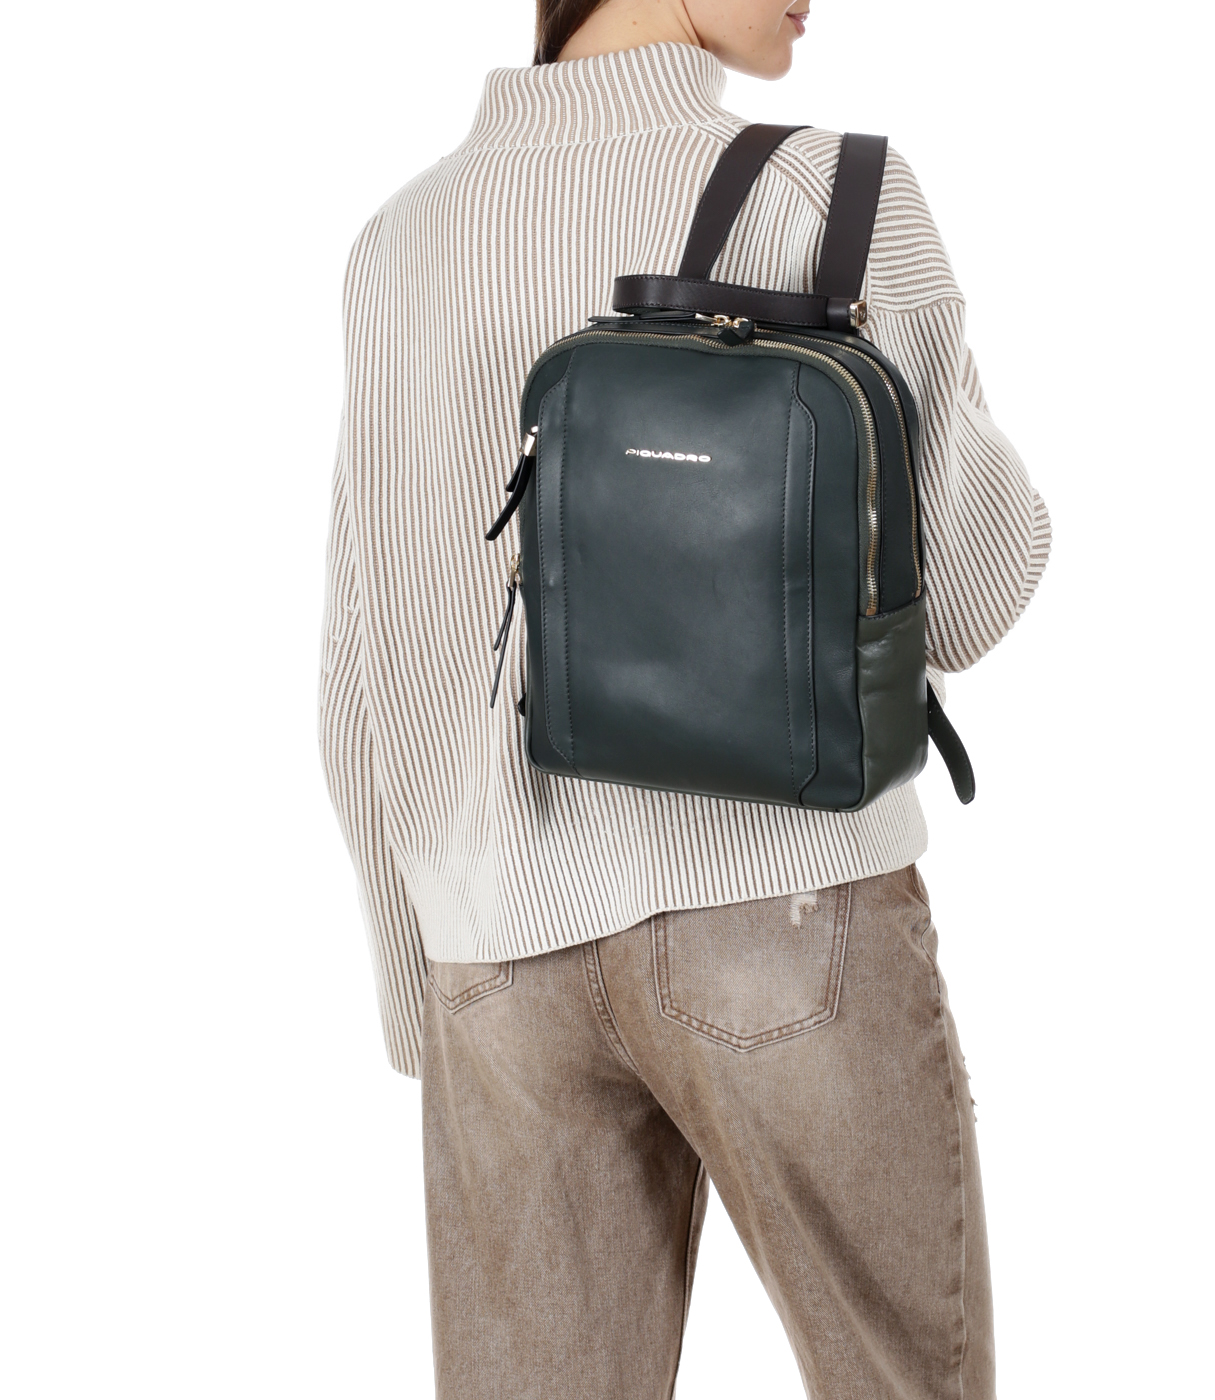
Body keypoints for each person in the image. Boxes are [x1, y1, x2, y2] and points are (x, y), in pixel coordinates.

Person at [318, 2, 1050, 1395]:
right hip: (785, 915)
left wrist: (427, 989)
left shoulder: (398, 241)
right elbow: (972, 594)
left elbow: (361, 659)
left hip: (492, 954)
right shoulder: (832, 193)